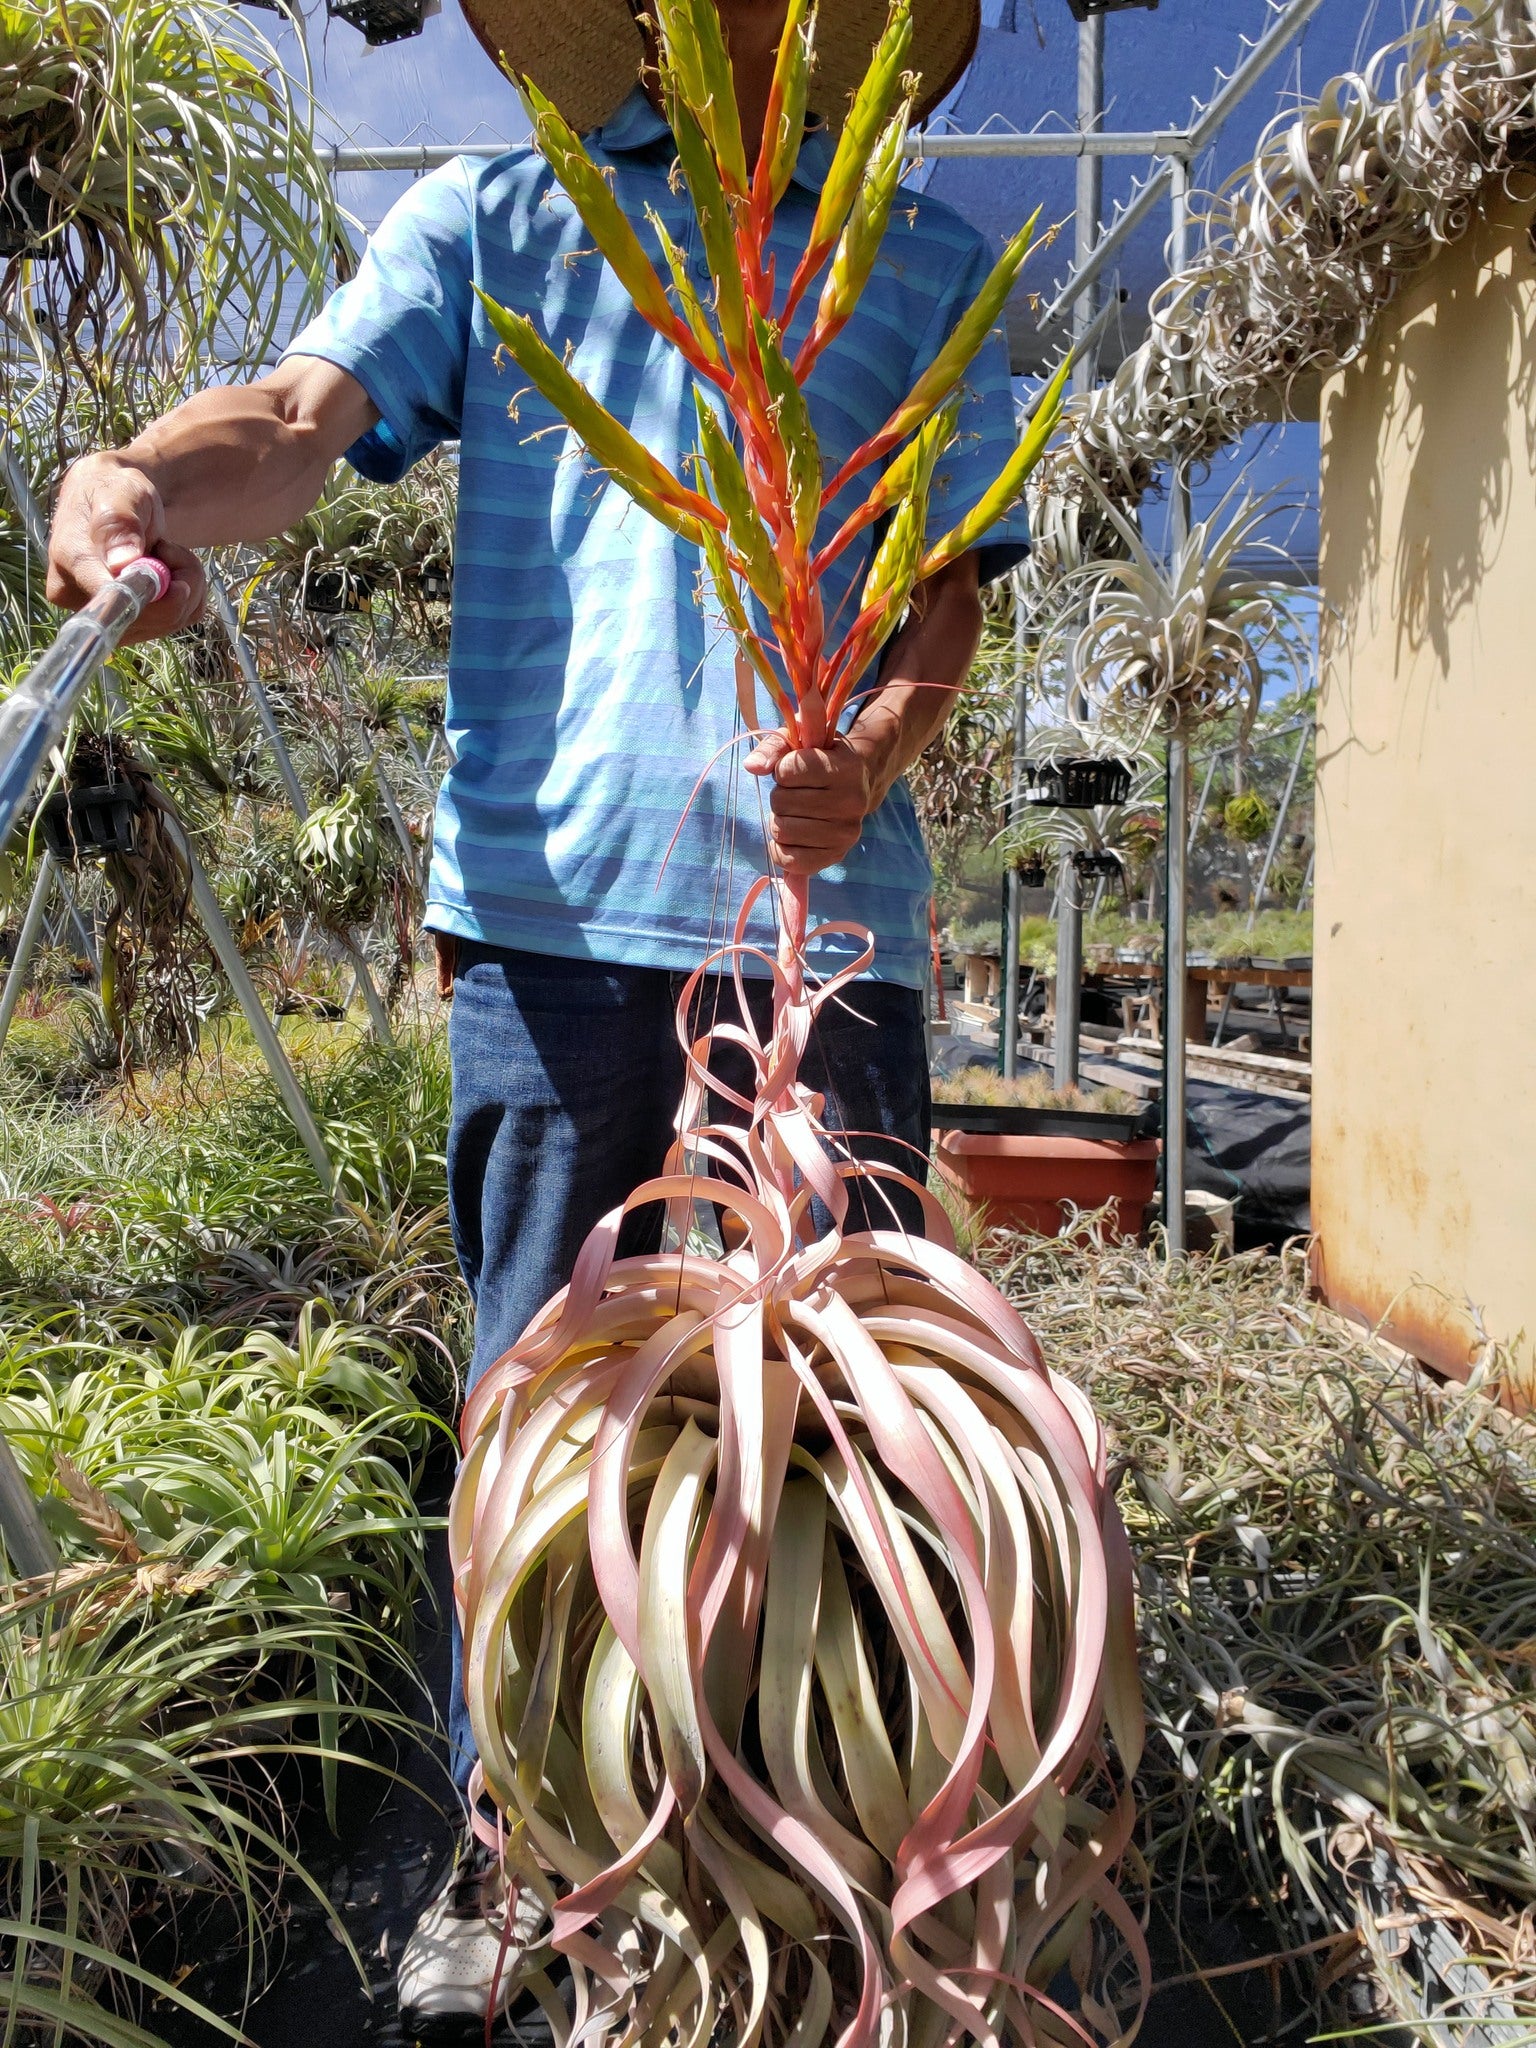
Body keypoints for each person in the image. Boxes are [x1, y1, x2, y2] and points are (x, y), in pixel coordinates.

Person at [47, 0, 1029, 2029]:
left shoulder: (917, 262)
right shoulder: (508, 222)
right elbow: (305, 420)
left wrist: (877, 743)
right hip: (546, 917)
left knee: (851, 1434)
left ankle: (822, 1854)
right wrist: (135, 473)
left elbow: (948, 586)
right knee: (539, 1412)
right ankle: (520, 1849)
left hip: (830, 929)